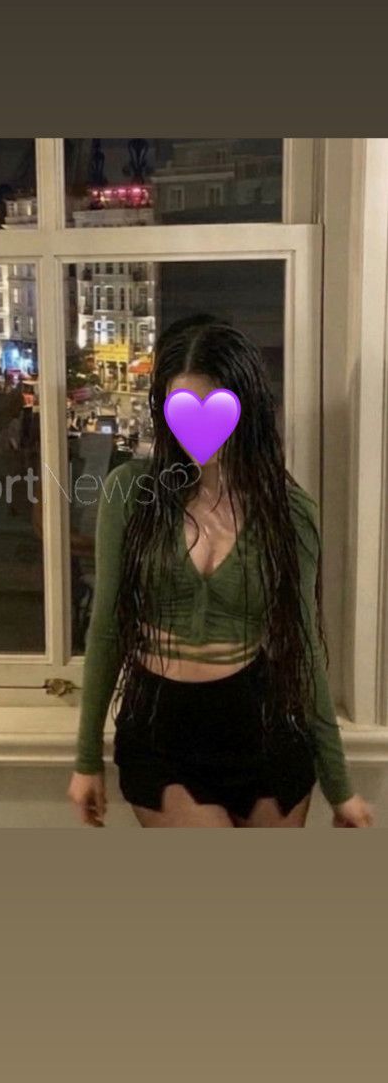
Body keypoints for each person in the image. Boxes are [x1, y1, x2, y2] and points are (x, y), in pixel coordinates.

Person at [67, 314, 374, 829]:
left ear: (247, 409)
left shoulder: (290, 511)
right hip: (162, 726)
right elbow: (105, 631)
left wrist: (340, 787)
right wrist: (86, 758)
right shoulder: (131, 492)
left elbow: (303, 646)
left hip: (265, 724)